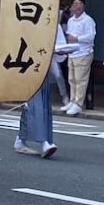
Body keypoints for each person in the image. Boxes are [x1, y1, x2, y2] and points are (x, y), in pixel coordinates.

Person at [14, 25, 63, 158]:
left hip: (43, 65)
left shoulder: (51, 21)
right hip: (30, 65)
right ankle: (43, 142)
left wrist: (58, 50)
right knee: (37, 105)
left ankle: (21, 139)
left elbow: (60, 43)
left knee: (34, 105)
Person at [64, 0, 96, 115]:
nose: (77, 6)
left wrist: (76, 38)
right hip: (72, 52)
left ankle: (78, 103)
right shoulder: (71, 20)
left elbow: (91, 37)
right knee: (72, 79)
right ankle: (72, 100)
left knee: (80, 79)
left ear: (84, 6)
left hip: (84, 52)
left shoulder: (88, 20)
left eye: (80, 4)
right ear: (72, 6)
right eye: (75, 4)